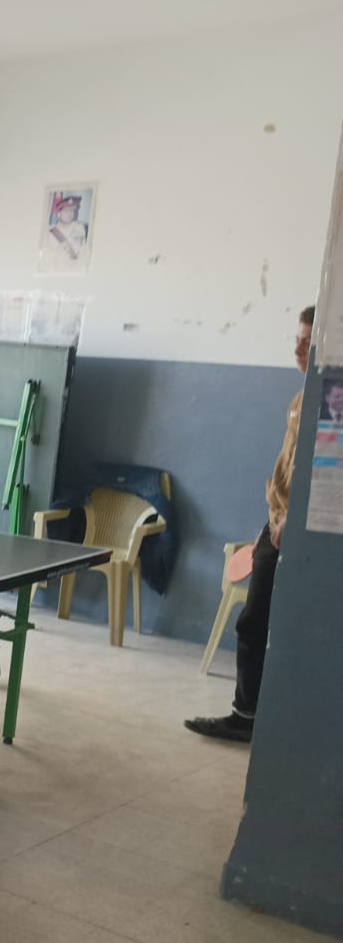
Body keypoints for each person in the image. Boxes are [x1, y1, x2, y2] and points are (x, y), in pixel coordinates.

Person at [187, 306, 315, 742]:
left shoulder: (332, 401)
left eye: (308, 341)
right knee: (255, 622)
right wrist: (277, 515)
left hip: (296, 532)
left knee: (271, 624)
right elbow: (288, 468)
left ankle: (263, 720)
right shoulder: (300, 399)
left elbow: (323, 473)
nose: (298, 349)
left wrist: (293, 519)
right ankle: (248, 714)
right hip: (277, 523)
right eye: (297, 339)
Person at [42, 194, 88, 265]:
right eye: (66, 211)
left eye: (72, 210)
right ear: (58, 214)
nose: (70, 213)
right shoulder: (49, 232)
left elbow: (84, 252)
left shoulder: (80, 228)